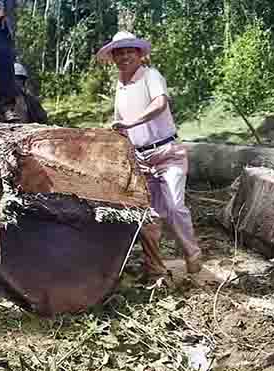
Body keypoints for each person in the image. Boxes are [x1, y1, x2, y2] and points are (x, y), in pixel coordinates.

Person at [96, 31, 202, 274]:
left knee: (175, 207)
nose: (124, 57)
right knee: (147, 215)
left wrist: (132, 122)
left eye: (129, 52)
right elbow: (119, 122)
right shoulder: (120, 86)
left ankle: (192, 255)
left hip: (167, 153)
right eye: (119, 53)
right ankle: (154, 267)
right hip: (141, 159)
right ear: (113, 58)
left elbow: (159, 103)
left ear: (139, 54)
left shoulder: (151, 75)